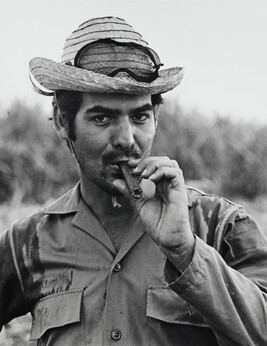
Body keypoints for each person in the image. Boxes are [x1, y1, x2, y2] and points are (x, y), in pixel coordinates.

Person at [0, 16, 266, 346]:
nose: (127, 139)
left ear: (155, 117)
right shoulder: (28, 242)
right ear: (62, 121)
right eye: (102, 117)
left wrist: (186, 251)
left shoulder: (221, 226)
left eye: (140, 116)